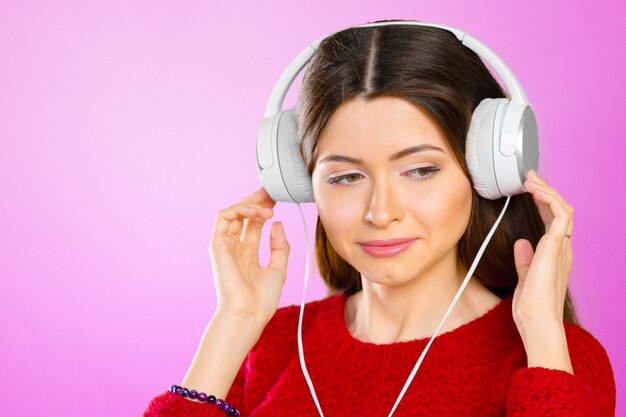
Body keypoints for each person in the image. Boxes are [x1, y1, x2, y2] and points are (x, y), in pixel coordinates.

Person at [141, 21, 616, 416]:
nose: (381, 212)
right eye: (346, 177)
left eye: (421, 170)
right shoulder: (273, 346)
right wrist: (234, 322)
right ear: (302, 183)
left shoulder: (553, 358)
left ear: (486, 172)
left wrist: (543, 340)